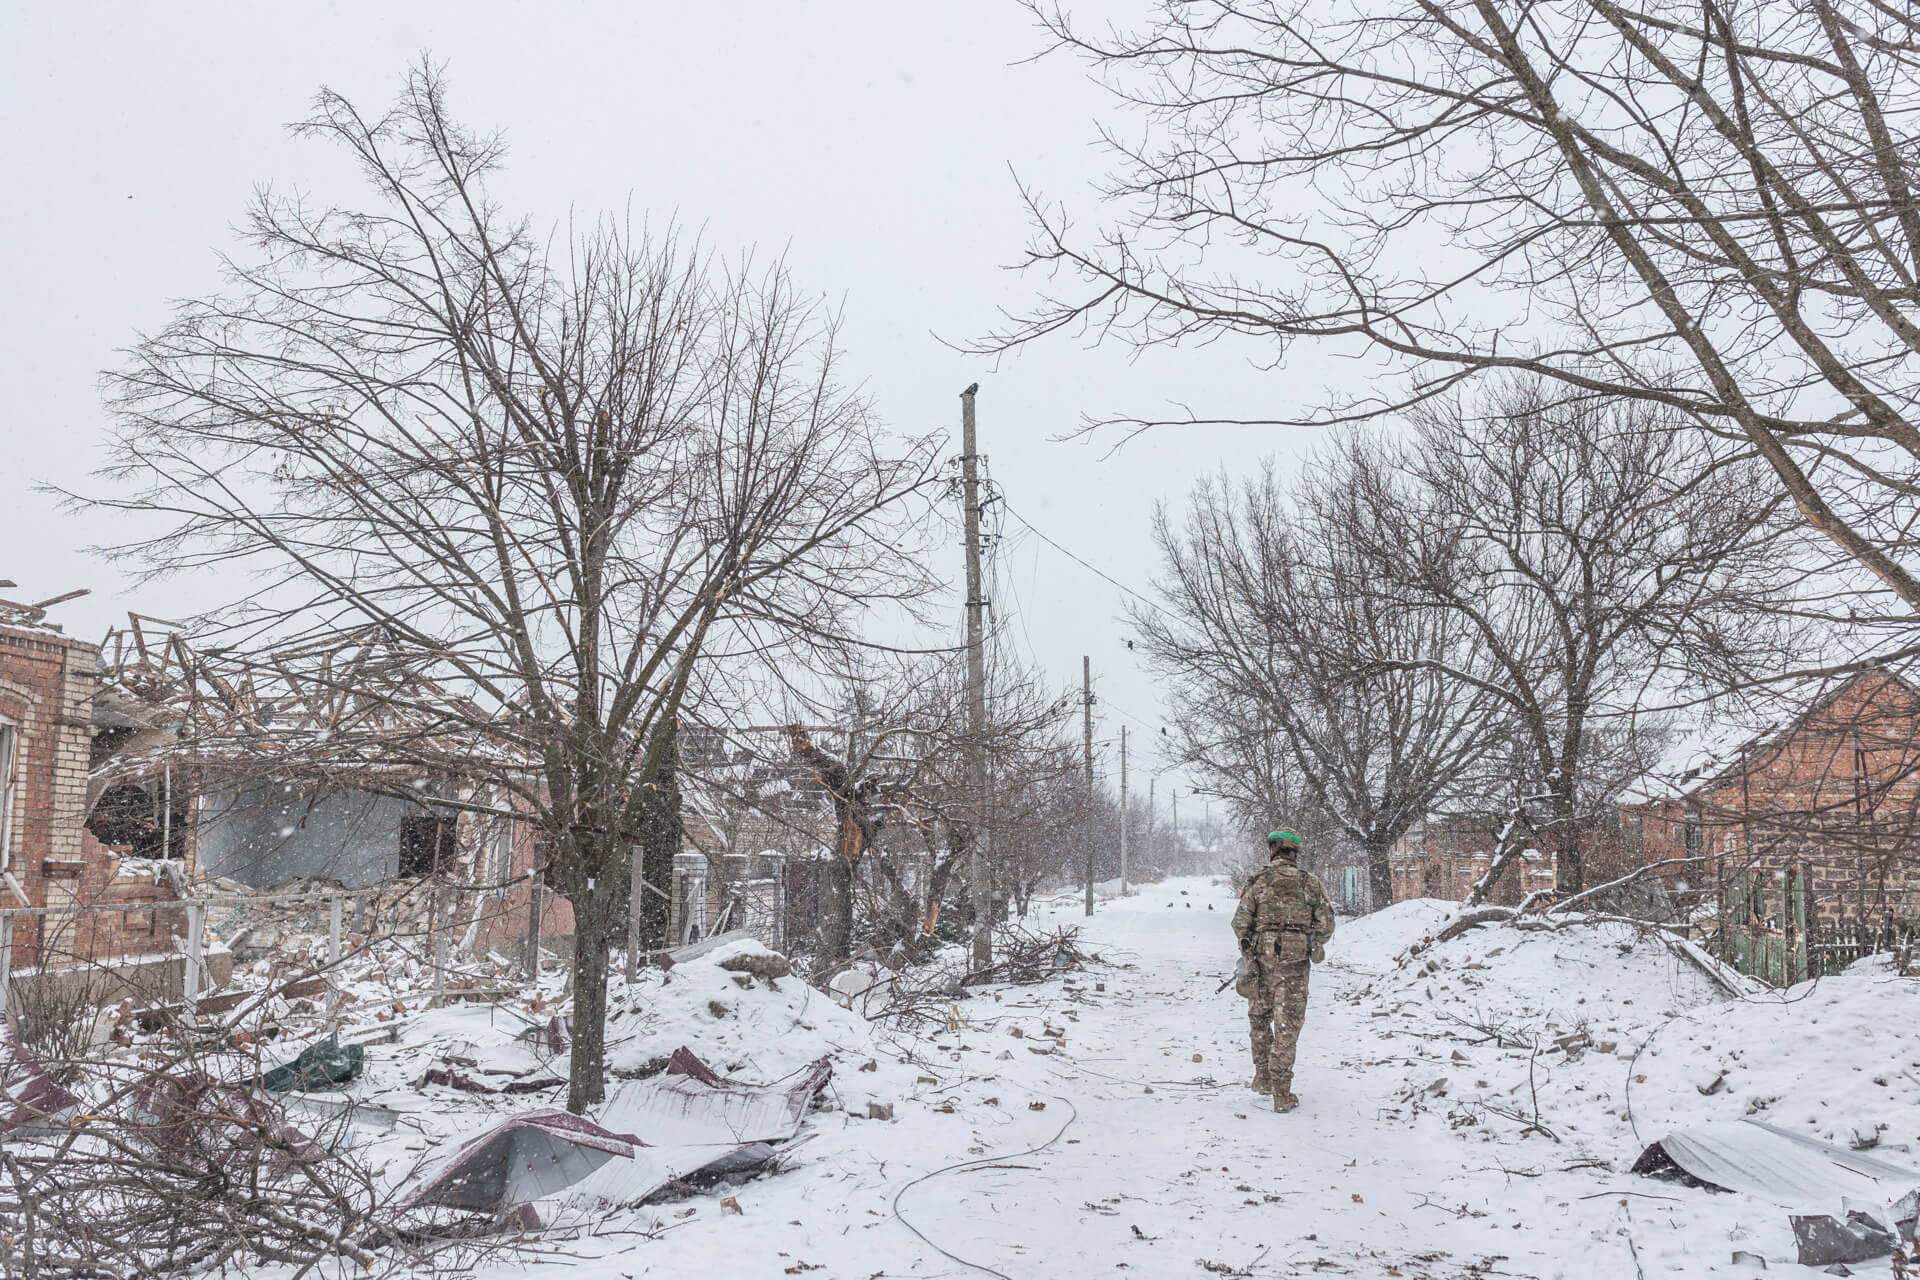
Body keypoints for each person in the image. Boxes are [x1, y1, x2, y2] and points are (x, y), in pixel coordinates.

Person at [1231, 829, 1336, 1112]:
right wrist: (1311, 941)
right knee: (1287, 1023)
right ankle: (1282, 1091)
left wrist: (1252, 949)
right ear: (1295, 852)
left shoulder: (1258, 882)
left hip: (1261, 962)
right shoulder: (1310, 884)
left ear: (1273, 849)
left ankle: (1263, 1077)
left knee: (1260, 1018)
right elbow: (1326, 924)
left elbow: (1240, 923)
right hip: (1294, 964)